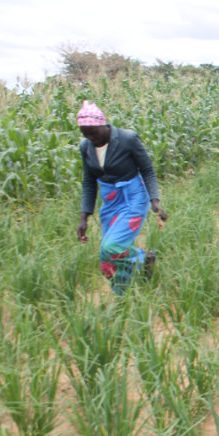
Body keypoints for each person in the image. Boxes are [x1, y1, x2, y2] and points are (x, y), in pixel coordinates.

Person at [76, 101, 168, 295]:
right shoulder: (86, 147)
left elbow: (148, 170)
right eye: (85, 134)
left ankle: (141, 259)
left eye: (93, 132)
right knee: (106, 257)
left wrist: (155, 200)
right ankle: (124, 295)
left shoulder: (127, 139)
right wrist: (84, 217)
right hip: (110, 201)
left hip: (134, 196)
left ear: (104, 124)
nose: (91, 138)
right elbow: (88, 182)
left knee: (111, 247)